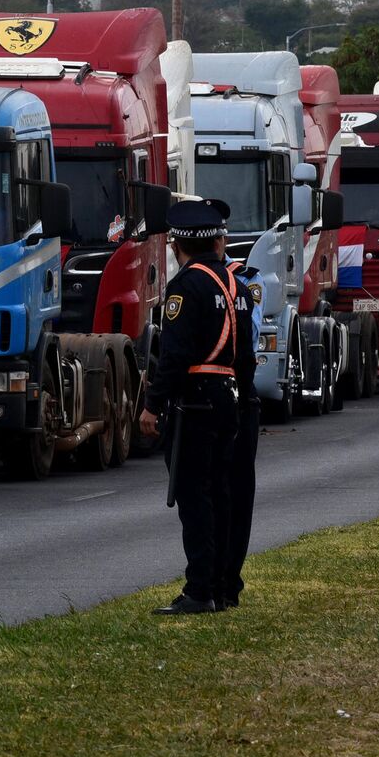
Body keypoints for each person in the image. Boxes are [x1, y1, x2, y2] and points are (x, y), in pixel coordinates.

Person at [139, 199, 255, 615]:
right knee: (222, 495)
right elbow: (245, 356)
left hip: (195, 399)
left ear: (177, 245)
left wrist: (152, 405)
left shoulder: (186, 287)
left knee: (194, 497)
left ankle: (199, 588)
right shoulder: (237, 286)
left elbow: (174, 355)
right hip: (229, 396)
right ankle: (221, 585)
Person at [221, 255, 263, 610]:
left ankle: (226, 580)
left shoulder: (243, 282)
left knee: (234, 493)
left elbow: (249, 341)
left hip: (234, 398)